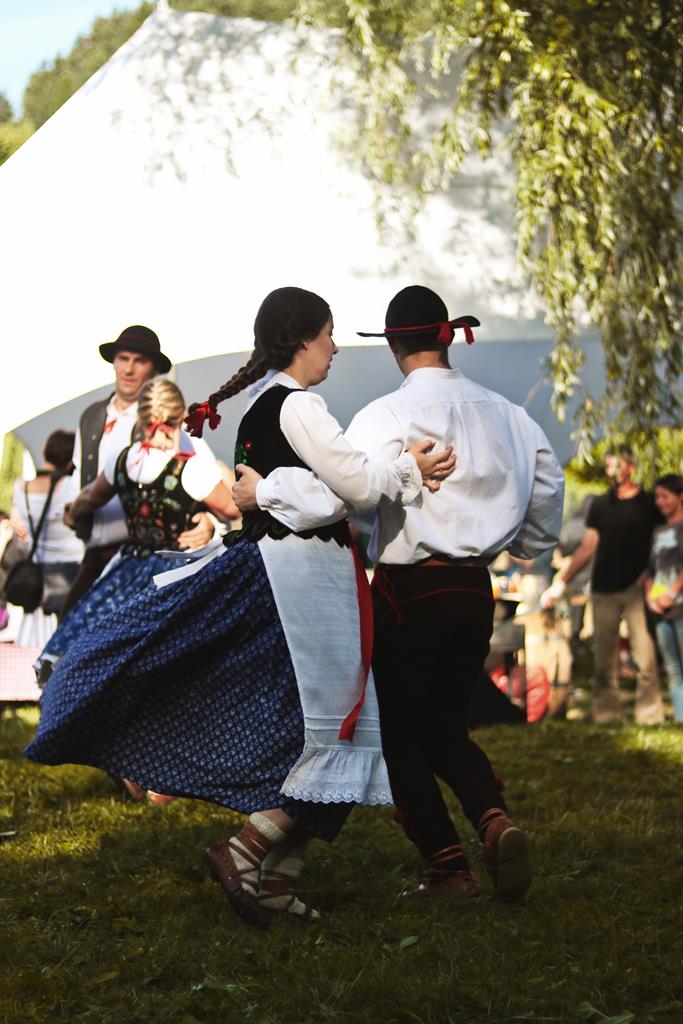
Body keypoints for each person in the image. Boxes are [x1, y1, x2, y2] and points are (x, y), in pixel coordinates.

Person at [25, 286, 455, 926]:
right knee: (335, 729)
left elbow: (325, 489)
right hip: (308, 581)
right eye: (328, 334)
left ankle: (277, 880)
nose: (334, 347)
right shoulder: (299, 406)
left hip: (290, 574)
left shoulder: (262, 404)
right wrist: (406, 468)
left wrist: (290, 490)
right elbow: (357, 487)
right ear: (303, 339)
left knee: (329, 731)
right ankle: (246, 851)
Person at [233, 284, 565, 903]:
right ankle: (493, 818)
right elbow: (547, 494)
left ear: (393, 346)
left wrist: (265, 492)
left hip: (410, 589)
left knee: (397, 732)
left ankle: (447, 867)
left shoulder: (385, 415)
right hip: (475, 588)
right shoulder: (511, 416)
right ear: (448, 337)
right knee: (445, 721)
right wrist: (517, 543)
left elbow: (343, 492)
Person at [37, 378, 239, 680]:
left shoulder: (123, 460)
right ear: (180, 417)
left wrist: (73, 511)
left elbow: (89, 498)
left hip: (128, 567)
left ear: (141, 420)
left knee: (96, 641)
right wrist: (211, 509)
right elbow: (233, 508)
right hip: (177, 572)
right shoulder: (193, 468)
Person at [60, 325, 214, 616]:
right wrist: (73, 509)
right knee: (69, 629)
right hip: (96, 556)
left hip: (145, 560)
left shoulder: (167, 422)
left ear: (153, 369)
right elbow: (79, 475)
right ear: (114, 362)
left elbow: (203, 477)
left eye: (139, 360)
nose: (129, 369)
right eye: (123, 358)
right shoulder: (92, 416)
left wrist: (206, 520)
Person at [542, 446, 664, 725]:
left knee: (645, 657)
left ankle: (650, 715)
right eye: (608, 466)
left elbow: (663, 543)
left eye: (616, 466)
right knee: (604, 661)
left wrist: (651, 576)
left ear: (631, 467)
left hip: (637, 590)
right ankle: (607, 715)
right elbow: (588, 545)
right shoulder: (600, 505)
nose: (611, 472)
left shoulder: (648, 504)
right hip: (603, 589)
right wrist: (561, 582)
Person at [9, 430, 84, 649]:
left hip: (37, 578)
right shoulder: (72, 486)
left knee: (40, 647)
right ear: (71, 460)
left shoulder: (21, 487)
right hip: (72, 574)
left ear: (44, 450)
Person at [645, 474, 683, 722]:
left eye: (665, 496)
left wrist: (671, 593)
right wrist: (651, 598)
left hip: (679, 607)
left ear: (680, 497)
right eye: (657, 497)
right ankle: (680, 719)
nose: (659, 502)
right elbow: (652, 570)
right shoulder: (659, 531)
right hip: (660, 610)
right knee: (672, 668)